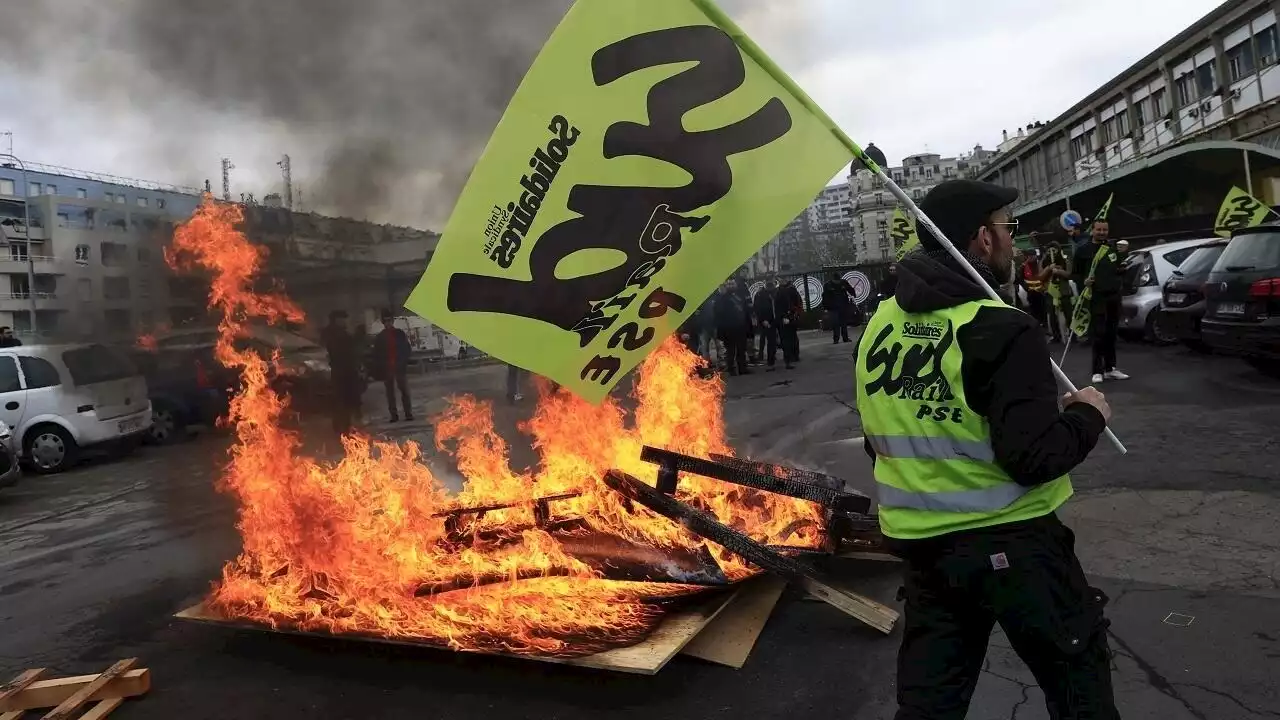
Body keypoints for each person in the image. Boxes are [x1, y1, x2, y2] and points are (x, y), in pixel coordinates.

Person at [852, 179, 1118, 720]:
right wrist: (1089, 415)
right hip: (1016, 545)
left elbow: (877, 439)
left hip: (924, 552)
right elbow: (1034, 459)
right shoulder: (1001, 327)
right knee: (1079, 690)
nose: (1013, 242)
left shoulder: (880, 325)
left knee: (930, 705)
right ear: (980, 238)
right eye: (1007, 228)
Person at [1072, 220, 1130, 384]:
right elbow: (1074, 274)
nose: (1102, 232)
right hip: (1096, 297)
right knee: (1099, 334)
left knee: (1112, 334)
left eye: (1105, 230)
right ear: (1093, 230)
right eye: (1099, 229)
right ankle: (1097, 370)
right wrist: (1084, 281)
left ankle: (1111, 368)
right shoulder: (1083, 250)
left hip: (1113, 296)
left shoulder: (1112, 248)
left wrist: (1122, 269)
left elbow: (1117, 268)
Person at [321, 310, 363, 435]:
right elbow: (339, 351)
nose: (345, 321)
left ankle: (346, 426)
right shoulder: (331, 334)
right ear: (336, 320)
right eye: (342, 319)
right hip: (340, 372)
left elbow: (351, 350)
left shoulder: (342, 333)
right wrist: (355, 338)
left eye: (345, 319)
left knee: (347, 400)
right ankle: (341, 429)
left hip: (348, 371)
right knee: (341, 401)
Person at [372, 310, 413, 422]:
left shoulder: (399, 334)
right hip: (387, 368)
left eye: (389, 320)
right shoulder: (380, 337)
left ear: (392, 321)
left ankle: (408, 413)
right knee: (390, 393)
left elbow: (407, 348)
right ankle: (394, 415)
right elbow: (377, 354)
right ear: (383, 322)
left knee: (404, 391)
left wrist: (404, 361)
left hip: (399, 367)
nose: (388, 323)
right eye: (385, 321)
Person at [1038, 242, 1074, 343]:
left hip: (1064, 291)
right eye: (1049, 251)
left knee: (1068, 314)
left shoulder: (1065, 260)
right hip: (1050, 292)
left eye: (1054, 250)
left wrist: (1059, 271)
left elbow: (1069, 274)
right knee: (1052, 315)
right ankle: (1056, 335)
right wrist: (1048, 269)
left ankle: (1072, 335)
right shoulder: (1044, 261)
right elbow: (1040, 276)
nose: (1052, 253)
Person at [713, 279, 750, 375]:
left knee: (741, 349)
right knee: (730, 351)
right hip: (729, 329)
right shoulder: (722, 298)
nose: (731, 286)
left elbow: (745, 310)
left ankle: (742, 369)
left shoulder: (739, 296)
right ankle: (731, 369)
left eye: (732, 283)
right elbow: (718, 313)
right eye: (729, 284)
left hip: (741, 327)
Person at [775, 278, 803, 369]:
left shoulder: (782, 291)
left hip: (788, 316)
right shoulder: (789, 290)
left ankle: (791, 356)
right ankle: (793, 355)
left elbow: (795, 303)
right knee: (791, 337)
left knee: (789, 338)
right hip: (789, 316)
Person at [752, 277, 780, 370]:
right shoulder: (760, 294)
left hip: (776, 319)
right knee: (767, 339)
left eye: (771, 281)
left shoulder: (777, 292)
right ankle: (769, 360)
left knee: (774, 339)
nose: (770, 283)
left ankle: (773, 357)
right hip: (766, 320)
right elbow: (757, 308)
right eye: (768, 281)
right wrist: (762, 320)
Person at [822, 274, 857, 343]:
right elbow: (850, 290)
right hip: (841, 305)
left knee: (836, 323)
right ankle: (844, 338)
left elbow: (824, 296)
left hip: (834, 306)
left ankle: (836, 339)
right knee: (842, 323)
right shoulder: (843, 283)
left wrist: (826, 306)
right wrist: (853, 294)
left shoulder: (828, 284)